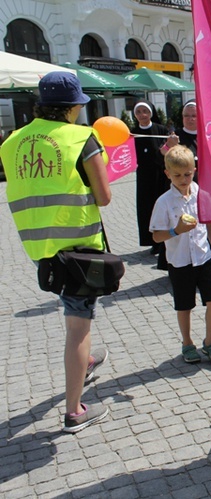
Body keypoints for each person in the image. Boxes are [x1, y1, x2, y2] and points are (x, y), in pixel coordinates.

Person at [1, 71, 112, 433]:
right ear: (71, 108)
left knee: (75, 313)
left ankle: (85, 363)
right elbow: (105, 196)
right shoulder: (81, 138)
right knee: (78, 327)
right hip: (78, 246)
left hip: (38, 245)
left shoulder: (12, 141)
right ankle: (74, 411)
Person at [149, 145, 211, 365]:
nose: (183, 179)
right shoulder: (164, 202)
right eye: (177, 175)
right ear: (168, 174)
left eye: (187, 174)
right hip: (180, 262)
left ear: (194, 170)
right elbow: (156, 236)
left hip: (203, 258)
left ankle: (210, 342)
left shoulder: (201, 194)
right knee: (184, 306)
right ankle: (187, 343)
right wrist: (176, 230)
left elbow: (209, 226)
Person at [172, 100, 211, 249]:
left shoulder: (208, 133)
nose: (190, 119)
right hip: (187, 185)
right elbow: (165, 156)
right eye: (186, 116)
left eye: (194, 116)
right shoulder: (175, 136)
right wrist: (169, 146)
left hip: (209, 181)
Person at [131, 99, 175, 269]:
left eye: (145, 111)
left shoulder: (161, 130)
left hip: (160, 174)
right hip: (144, 176)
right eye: (138, 112)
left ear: (151, 112)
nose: (142, 115)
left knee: (161, 207)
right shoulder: (133, 133)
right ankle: (151, 241)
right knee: (146, 208)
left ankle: (162, 240)